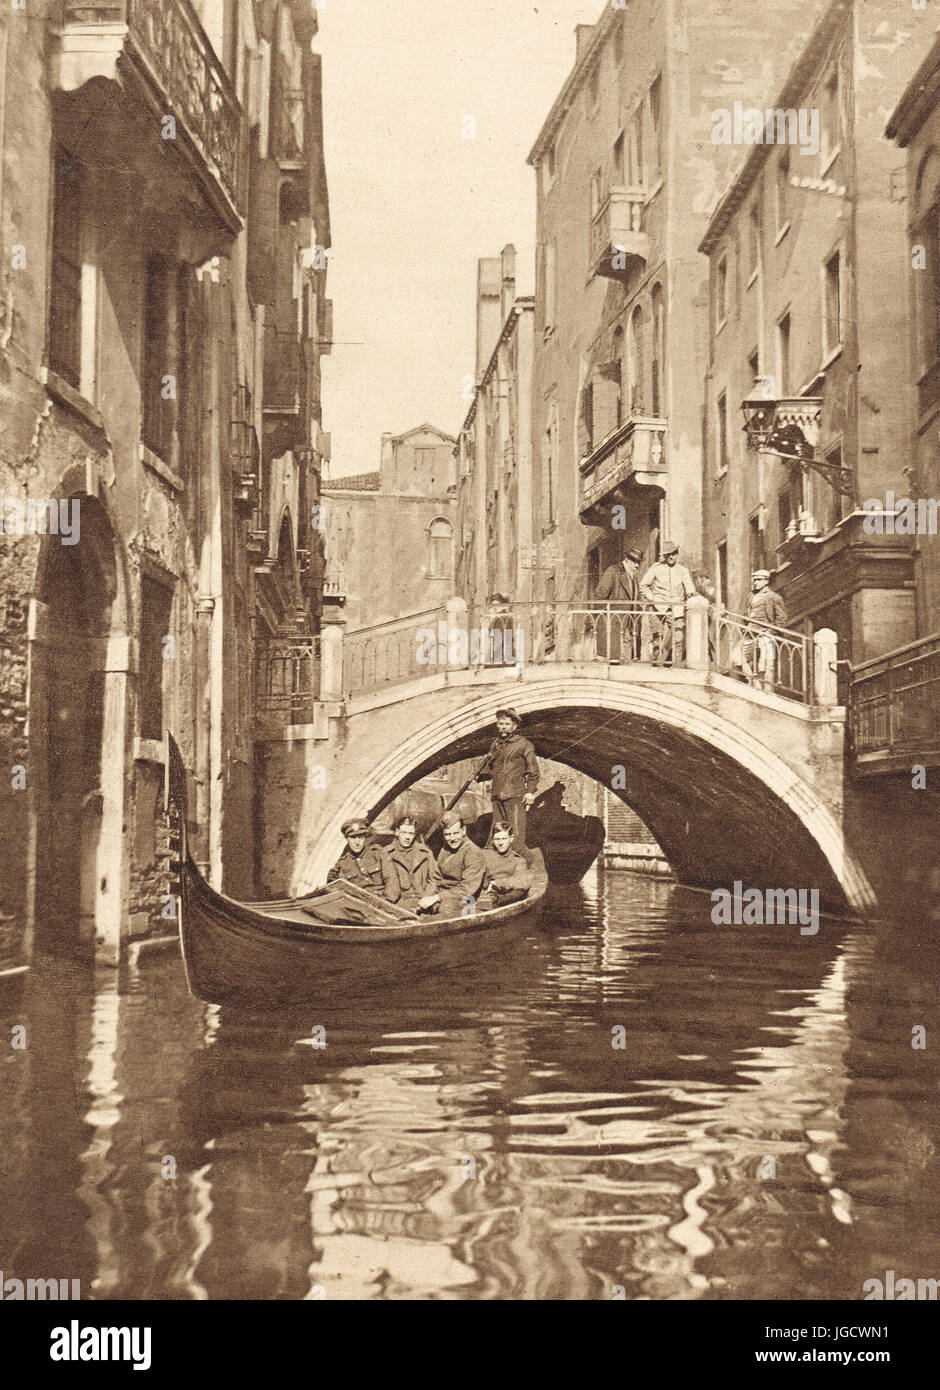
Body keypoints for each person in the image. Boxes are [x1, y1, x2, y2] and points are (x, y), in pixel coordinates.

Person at [476, 707, 539, 850]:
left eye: (506, 724)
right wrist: (480, 774)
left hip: (515, 796)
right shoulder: (496, 744)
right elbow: (490, 768)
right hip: (497, 796)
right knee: (498, 834)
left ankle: (520, 865)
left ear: (514, 725)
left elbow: (533, 770)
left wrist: (530, 791)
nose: (502, 727)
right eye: (500, 723)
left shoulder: (524, 744)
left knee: (515, 835)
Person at [639, 540, 696, 666]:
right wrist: (652, 599)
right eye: (667, 554)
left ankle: (676, 667)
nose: (671, 557)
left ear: (677, 554)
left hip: (677, 611)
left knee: (678, 639)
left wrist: (690, 593)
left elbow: (690, 588)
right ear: (664, 556)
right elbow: (643, 585)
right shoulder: (656, 568)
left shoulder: (683, 570)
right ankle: (657, 666)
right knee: (657, 640)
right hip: (658, 610)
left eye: (673, 553)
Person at [422, 809, 486, 917]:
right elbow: (436, 878)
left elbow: (467, 889)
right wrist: (427, 896)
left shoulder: (473, 853)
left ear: (463, 830)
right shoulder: (445, 849)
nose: (452, 839)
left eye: (455, 833)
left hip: (466, 898)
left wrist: (436, 898)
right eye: (447, 834)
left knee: (444, 910)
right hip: (445, 895)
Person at [739, 569, 788, 691]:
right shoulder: (750, 596)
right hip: (750, 633)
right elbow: (746, 614)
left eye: (759, 580)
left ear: (766, 581)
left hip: (766, 633)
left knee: (767, 663)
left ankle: (768, 689)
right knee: (738, 656)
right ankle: (755, 683)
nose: (755, 582)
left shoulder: (773, 597)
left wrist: (770, 632)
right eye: (754, 580)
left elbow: (782, 618)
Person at [594, 547, 642, 661]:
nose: (637, 566)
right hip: (614, 624)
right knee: (613, 660)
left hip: (628, 625)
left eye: (638, 562)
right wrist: (606, 621)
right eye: (634, 561)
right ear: (626, 559)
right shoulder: (614, 570)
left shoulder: (633, 576)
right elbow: (600, 597)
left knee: (627, 660)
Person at [379, 814, 436, 908]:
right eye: (404, 832)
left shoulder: (425, 852)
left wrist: (427, 898)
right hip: (401, 902)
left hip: (424, 900)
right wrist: (388, 904)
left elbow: (434, 879)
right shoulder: (388, 852)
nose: (407, 837)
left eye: (411, 833)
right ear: (397, 832)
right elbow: (390, 881)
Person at [479, 821, 533, 909]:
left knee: (519, 891)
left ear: (511, 838)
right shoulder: (484, 854)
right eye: (497, 839)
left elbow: (523, 881)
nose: (500, 843)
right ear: (492, 839)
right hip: (484, 894)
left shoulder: (518, 860)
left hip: (504, 897)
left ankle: (494, 902)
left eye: (504, 838)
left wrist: (497, 883)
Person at [327, 818, 385, 890]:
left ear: (365, 837)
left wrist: (388, 899)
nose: (357, 842)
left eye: (360, 837)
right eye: (353, 838)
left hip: (384, 899)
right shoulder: (342, 864)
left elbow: (391, 881)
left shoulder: (378, 854)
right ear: (347, 839)